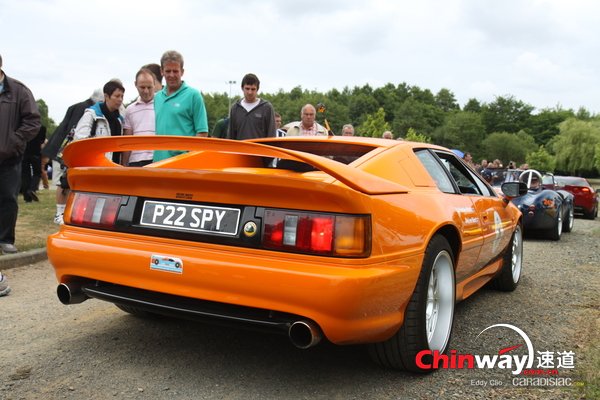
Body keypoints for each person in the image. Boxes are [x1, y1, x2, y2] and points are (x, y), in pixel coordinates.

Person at [42, 88, 103, 225]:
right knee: (63, 182)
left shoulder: (78, 106)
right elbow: (74, 131)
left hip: (62, 148)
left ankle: (65, 211)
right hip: (64, 151)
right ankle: (59, 213)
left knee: (67, 183)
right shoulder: (86, 109)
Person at [0, 54, 41, 256]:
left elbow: (33, 121)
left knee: (8, 197)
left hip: (9, 156)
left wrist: (14, 141)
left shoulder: (19, 91)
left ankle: (6, 239)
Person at [153, 50, 208, 162]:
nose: (171, 75)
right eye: (168, 71)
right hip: (158, 164)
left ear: (182, 72)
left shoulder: (194, 95)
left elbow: (202, 132)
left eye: (175, 71)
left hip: (183, 165)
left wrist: (188, 157)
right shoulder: (157, 97)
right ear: (161, 71)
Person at [73, 80, 125, 164]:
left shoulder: (119, 120)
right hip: (94, 168)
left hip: (114, 170)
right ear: (106, 96)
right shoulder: (91, 115)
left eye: (122, 96)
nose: (120, 99)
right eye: (117, 96)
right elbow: (79, 142)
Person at [121, 68, 156, 167]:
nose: (146, 91)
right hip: (135, 161)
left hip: (157, 159)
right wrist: (124, 164)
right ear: (135, 84)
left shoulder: (163, 106)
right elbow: (128, 140)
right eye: (142, 87)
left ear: (154, 85)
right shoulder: (130, 110)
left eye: (149, 87)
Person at [227, 73, 276, 140]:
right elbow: (231, 135)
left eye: (253, 89)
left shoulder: (266, 108)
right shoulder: (235, 108)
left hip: (259, 149)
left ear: (257, 89)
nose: (250, 92)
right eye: (247, 88)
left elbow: (271, 135)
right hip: (239, 149)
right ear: (242, 88)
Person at [21, 125, 46, 202]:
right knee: (37, 173)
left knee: (25, 174)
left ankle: (27, 198)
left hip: (24, 152)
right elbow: (42, 141)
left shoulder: (22, 127)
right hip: (36, 153)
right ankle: (32, 189)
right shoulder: (42, 128)